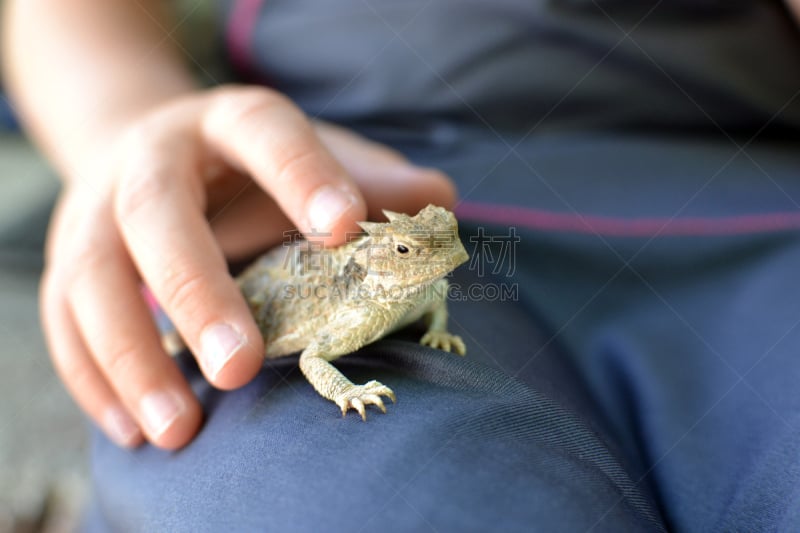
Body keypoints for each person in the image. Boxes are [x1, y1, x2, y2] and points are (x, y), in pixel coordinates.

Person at [3, 0, 800, 530]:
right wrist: (124, 124)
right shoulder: (360, 288)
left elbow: (430, 296)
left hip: (744, 192)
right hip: (313, 172)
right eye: (424, 253)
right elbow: (317, 353)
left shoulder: (425, 262)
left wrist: (436, 314)